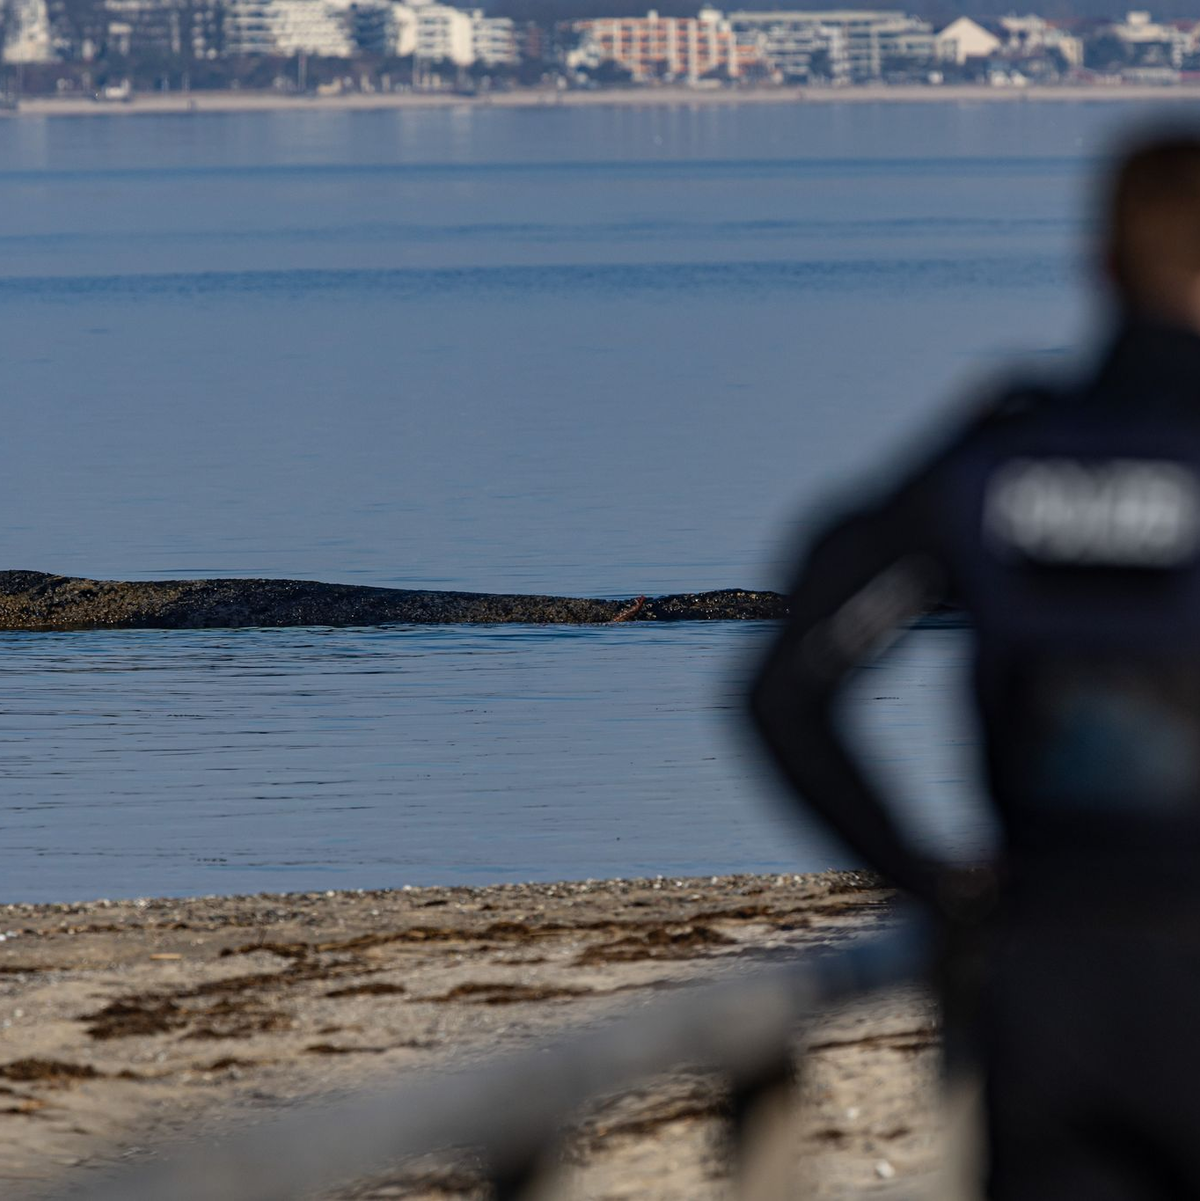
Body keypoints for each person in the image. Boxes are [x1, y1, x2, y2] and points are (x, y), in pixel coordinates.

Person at [748, 133, 1200, 1199]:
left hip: (1052, 979)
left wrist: (930, 889)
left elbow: (786, 691)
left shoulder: (997, 460)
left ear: (1100, 266)